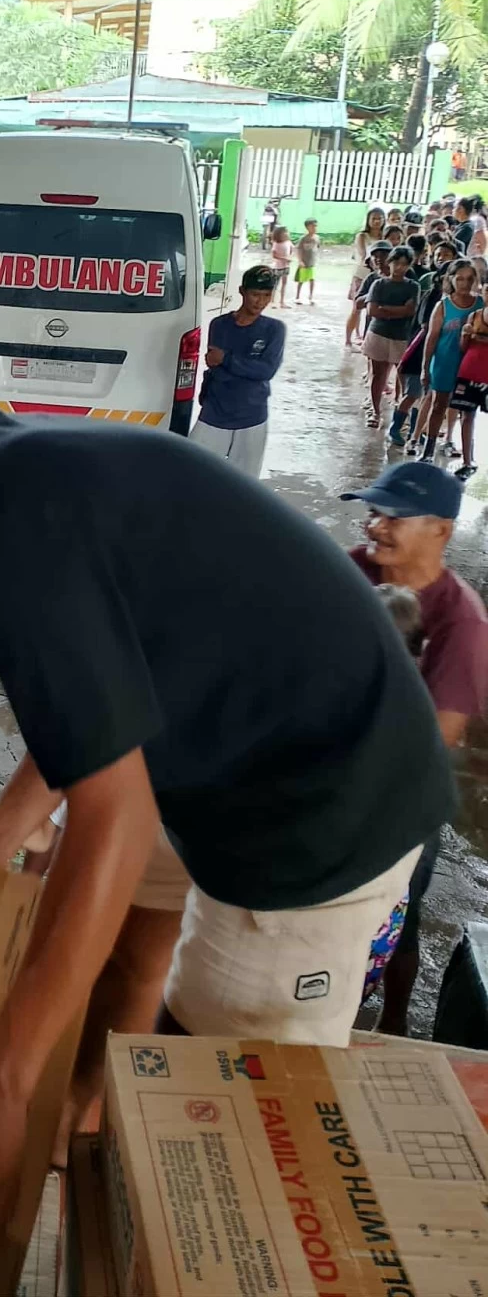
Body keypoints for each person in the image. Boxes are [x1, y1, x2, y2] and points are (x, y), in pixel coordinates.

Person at [0, 288, 452, 1238]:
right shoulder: (6, 465)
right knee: (120, 947)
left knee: (229, 1089)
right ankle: (77, 1119)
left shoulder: (10, 537)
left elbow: (112, 814)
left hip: (319, 800)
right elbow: (89, 702)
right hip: (207, 740)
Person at [345, 462, 488, 1034]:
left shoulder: (462, 622)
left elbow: (435, 741)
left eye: (394, 517)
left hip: (402, 792)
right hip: (331, 765)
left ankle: (396, 1020)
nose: (375, 526)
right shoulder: (350, 569)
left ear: (441, 530)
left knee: (398, 911)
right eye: (373, 512)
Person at [189, 264, 285, 478]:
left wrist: (226, 359)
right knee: (194, 472)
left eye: (266, 295)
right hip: (215, 411)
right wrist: (245, 367)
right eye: (255, 294)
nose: (260, 301)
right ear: (242, 291)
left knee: (244, 482)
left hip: (252, 415)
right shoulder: (219, 325)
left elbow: (267, 371)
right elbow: (215, 367)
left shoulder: (274, 329)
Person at [422, 259, 481, 462]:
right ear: (451, 279)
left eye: (469, 279)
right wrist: (425, 367)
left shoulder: (481, 304)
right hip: (444, 362)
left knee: (468, 410)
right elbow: (431, 338)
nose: (465, 283)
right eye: (460, 279)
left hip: (471, 365)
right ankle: (428, 450)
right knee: (438, 405)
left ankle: (467, 457)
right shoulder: (443, 305)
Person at [363, 246, 419, 430]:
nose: (399, 267)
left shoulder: (413, 286)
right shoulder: (378, 284)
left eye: (404, 264)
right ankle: (375, 411)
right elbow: (372, 310)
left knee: (402, 376)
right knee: (377, 375)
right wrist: (399, 310)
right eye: (396, 263)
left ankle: (400, 413)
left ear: (409, 266)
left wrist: (385, 309)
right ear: (390, 262)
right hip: (378, 333)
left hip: (401, 336)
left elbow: (410, 311)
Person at [449, 295, 488, 481]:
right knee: (466, 416)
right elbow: (463, 347)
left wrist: (479, 337)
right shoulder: (474, 316)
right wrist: (465, 336)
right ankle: (467, 462)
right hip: (469, 370)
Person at [347, 206, 386, 348]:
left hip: (379, 275)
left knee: (374, 308)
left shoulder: (385, 236)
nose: (376, 221)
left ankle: (365, 337)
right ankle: (351, 338)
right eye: (373, 218)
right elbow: (364, 255)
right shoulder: (362, 236)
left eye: (379, 218)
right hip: (362, 274)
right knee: (357, 308)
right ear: (368, 220)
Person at [294, 219, 319, 305]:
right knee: (301, 280)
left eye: (316, 226)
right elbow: (299, 250)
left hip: (312, 263)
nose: (315, 228)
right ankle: (297, 297)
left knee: (312, 280)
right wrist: (300, 261)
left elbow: (316, 248)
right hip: (304, 263)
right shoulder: (303, 238)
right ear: (307, 227)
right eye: (313, 226)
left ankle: (311, 297)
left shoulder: (316, 238)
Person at [269, 224, 293, 307]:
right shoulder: (276, 244)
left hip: (286, 266)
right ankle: (272, 301)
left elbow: (292, 250)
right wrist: (285, 258)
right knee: (275, 284)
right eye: (284, 232)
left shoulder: (288, 242)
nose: (286, 234)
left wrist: (290, 257)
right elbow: (274, 255)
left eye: (287, 232)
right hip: (277, 267)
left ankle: (282, 302)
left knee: (284, 284)